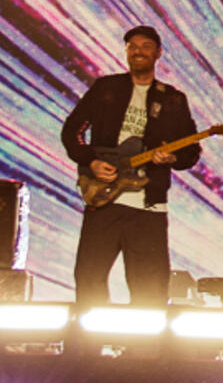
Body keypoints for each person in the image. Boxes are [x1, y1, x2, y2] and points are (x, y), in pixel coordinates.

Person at [60, 29, 201, 310]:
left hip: (149, 208)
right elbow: (71, 131)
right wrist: (90, 161)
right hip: (104, 201)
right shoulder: (106, 88)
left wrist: (171, 158)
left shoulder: (173, 100)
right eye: (132, 46)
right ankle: (90, 349)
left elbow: (190, 154)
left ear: (158, 53)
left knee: (150, 289)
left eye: (146, 46)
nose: (138, 51)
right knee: (88, 279)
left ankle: (145, 352)